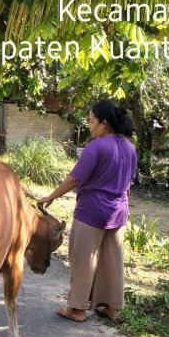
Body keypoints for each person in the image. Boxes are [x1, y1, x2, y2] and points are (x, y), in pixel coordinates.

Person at [37, 100, 137, 323]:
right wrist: (123, 207)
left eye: (91, 121)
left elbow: (75, 178)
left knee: (83, 260)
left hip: (92, 212)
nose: (89, 126)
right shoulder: (130, 147)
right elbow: (128, 185)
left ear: (104, 123)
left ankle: (77, 309)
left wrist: (51, 196)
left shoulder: (96, 146)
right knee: (112, 261)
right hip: (118, 212)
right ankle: (111, 308)